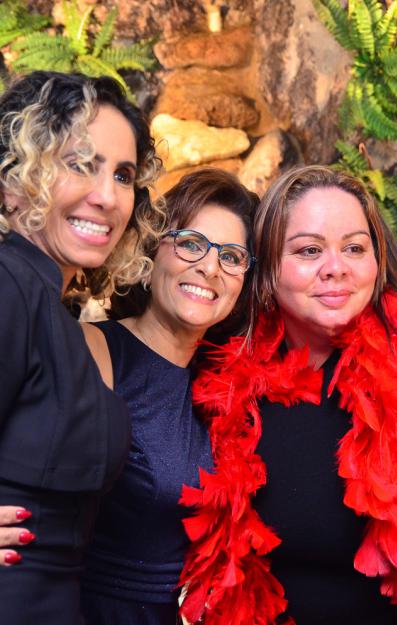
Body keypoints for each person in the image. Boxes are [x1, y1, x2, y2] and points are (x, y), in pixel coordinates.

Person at [178, 165, 397, 625]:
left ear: (377, 261)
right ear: (267, 266)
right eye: (309, 250)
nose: (336, 268)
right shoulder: (221, 372)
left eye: (354, 248)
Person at [0, 70, 163, 624]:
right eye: (80, 164)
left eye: (123, 175)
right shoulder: (10, 284)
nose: (107, 197)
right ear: (16, 178)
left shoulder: (53, 307)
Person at [78, 168, 258, 624]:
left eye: (231, 256)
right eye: (191, 243)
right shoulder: (92, 350)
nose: (210, 268)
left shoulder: (226, 389)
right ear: (153, 249)